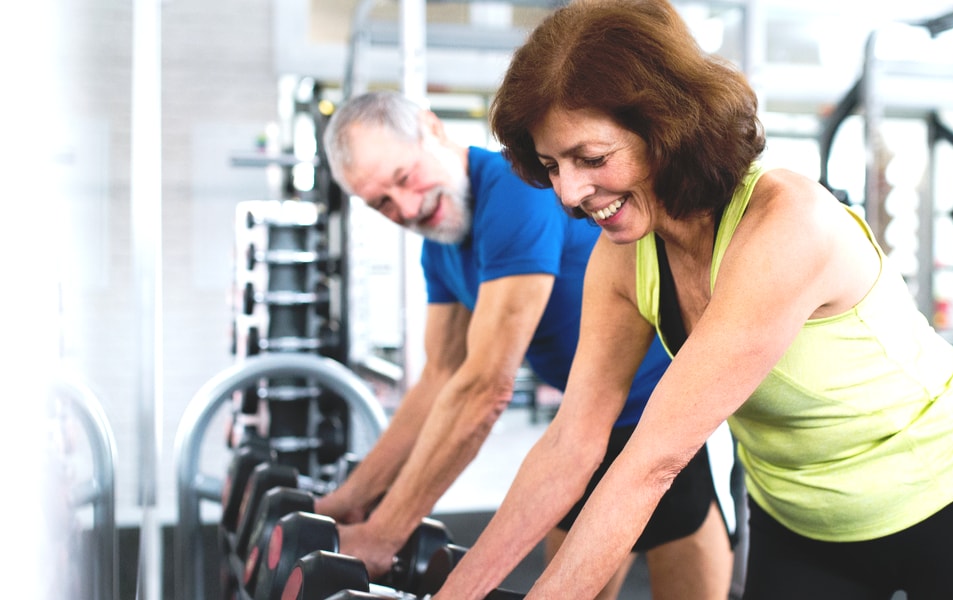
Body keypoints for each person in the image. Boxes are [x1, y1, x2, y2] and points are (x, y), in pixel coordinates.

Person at [433, 0, 953, 598]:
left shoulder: (787, 224)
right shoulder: (624, 254)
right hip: (800, 517)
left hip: (949, 493)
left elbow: (652, 463)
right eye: (551, 165)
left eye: (591, 159)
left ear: (665, 128)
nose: (568, 193)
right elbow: (573, 442)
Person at [316, 89, 738, 598]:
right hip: (583, 425)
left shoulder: (516, 189)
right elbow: (438, 379)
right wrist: (347, 503)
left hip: (662, 420)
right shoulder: (443, 243)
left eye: (404, 178)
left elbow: (484, 389)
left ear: (432, 128)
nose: (406, 206)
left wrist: (384, 534)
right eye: (382, 202)